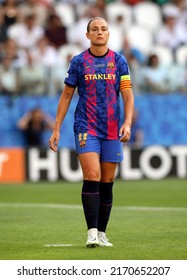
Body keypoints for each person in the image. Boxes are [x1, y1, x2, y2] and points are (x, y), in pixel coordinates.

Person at [49, 16, 134, 248]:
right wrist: (56, 128)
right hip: (86, 126)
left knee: (107, 181)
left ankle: (103, 232)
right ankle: (92, 232)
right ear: (87, 35)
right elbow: (66, 95)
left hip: (112, 128)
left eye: (103, 29)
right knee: (93, 175)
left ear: (108, 34)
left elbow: (127, 94)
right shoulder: (78, 62)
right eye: (94, 29)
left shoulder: (119, 62)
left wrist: (127, 123)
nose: (99, 32)